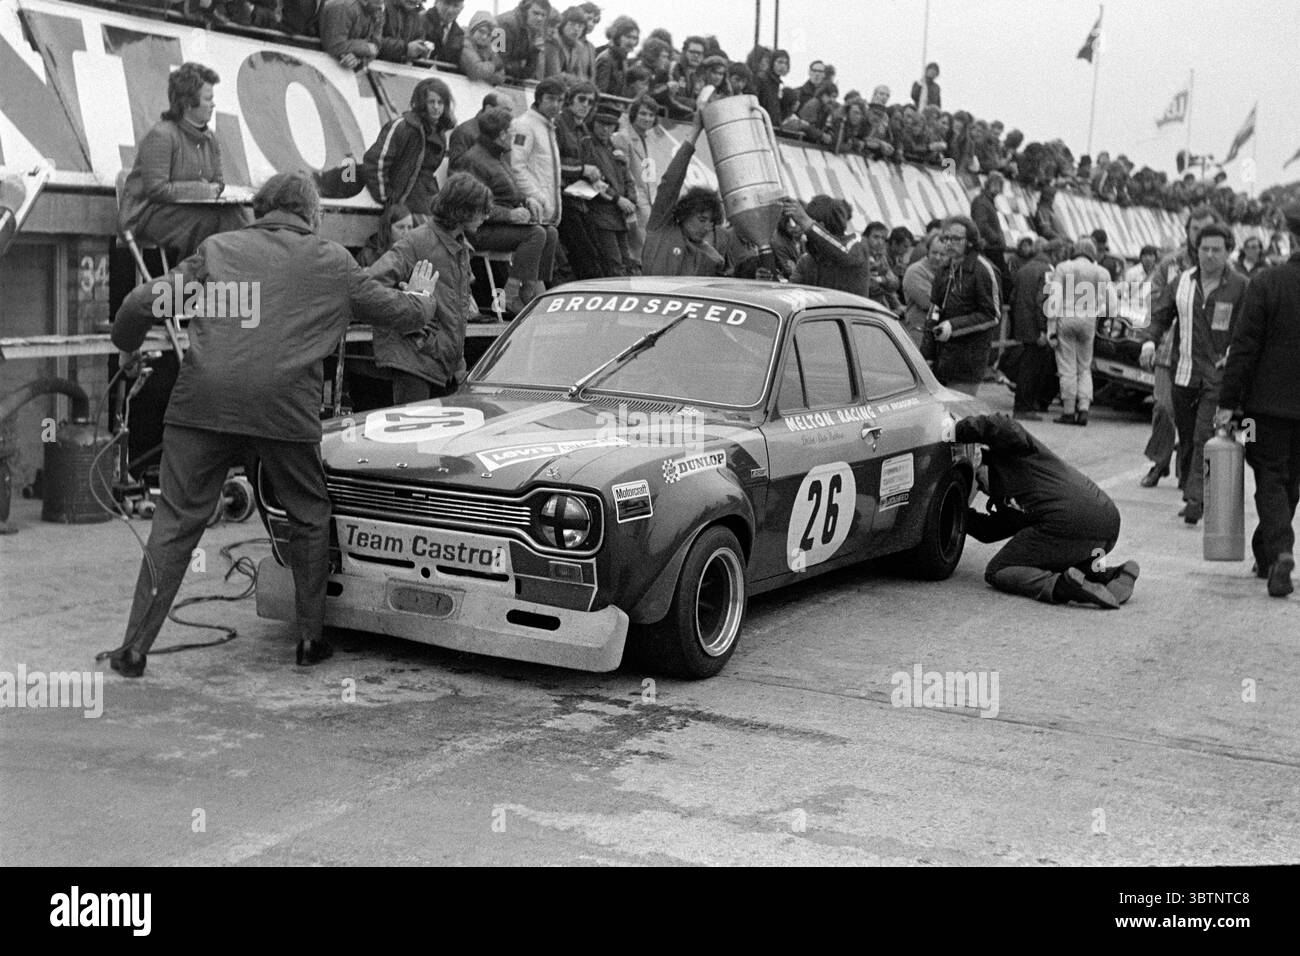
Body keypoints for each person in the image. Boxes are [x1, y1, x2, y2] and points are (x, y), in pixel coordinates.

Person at [106, 173, 440, 678]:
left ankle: (133, 649)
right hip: (283, 410)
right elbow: (402, 315)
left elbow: (138, 303)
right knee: (308, 514)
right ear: (314, 215)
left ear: (260, 209)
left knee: (175, 526)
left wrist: (125, 344)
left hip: (204, 405)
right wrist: (424, 298)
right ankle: (309, 640)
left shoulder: (217, 250)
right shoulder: (333, 262)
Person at [957, 414, 1139, 609]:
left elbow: (1005, 425)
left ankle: (1063, 587)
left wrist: (957, 430)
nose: (981, 487)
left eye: (978, 476)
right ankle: (1113, 575)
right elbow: (990, 530)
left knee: (998, 570)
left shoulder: (1014, 454)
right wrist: (956, 513)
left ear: (987, 462)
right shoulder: (1010, 498)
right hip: (1106, 527)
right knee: (1052, 557)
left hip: (1071, 522)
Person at [1217, 203, 1300, 597]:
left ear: (1292, 239)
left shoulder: (1266, 283)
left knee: (1269, 474)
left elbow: (1244, 348)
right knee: (1292, 479)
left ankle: (1280, 550)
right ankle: (1266, 555)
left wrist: (1228, 402)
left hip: (1263, 411)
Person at [1141, 223, 1248, 525]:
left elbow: (1248, 328)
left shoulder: (1240, 285)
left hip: (1217, 377)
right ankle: (1192, 487)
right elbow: (1161, 315)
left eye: (1217, 250)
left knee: (1205, 435)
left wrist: (1235, 354)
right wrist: (1150, 340)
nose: (1210, 255)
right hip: (1183, 374)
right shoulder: (1182, 282)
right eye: (1204, 249)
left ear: (1228, 252)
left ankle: (1196, 499)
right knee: (1187, 438)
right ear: (1196, 250)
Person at [368, 172, 491, 403]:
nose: (486, 215)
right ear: (461, 210)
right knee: (412, 434)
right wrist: (411, 306)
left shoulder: (459, 246)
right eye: (480, 209)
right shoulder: (417, 241)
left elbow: (455, 314)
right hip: (415, 359)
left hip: (439, 361)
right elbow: (368, 285)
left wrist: (458, 364)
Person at [118, 62, 252, 262]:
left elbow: (218, 184)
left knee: (238, 213)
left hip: (191, 212)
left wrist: (210, 191)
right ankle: (210, 277)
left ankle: (241, 272)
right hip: (151, 216)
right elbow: (157, 190)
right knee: (215, 220)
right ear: (188, 103)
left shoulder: (211, 138)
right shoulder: (161, 135)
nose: (213, 104)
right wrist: (202, 190)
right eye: (208, 99)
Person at [1138, 207, 1219, 488]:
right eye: (1195, 229)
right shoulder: (1171, 264)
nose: (1200, 235)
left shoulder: (1221, 265)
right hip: (1169, 348)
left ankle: (1190, 473)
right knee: (1162, 407)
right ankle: (1159, 462)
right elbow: (1153, 298)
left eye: (1205, 229)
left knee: (1198, 420)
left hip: (1207, 354)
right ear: (1187, 231)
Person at [452, 107, 560, 310]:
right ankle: (512, 296)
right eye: (511, 130)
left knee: (550, 232)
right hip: (478, 231)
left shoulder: (497, 157)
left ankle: (534, 291)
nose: (513, 135)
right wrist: (509, 215)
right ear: (501, 135)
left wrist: (528, 201)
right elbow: (470, 206)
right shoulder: (474, 160)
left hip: (497, 226)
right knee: (535, 234)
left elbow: (509, 193)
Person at [924, 215, 1002, 396]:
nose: (949, 243)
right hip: (940, 359)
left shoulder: (983, 270)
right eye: (946, 238)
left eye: (956, 239)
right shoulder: (944, 270)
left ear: (970, 242)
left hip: (968, 361)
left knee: (959, 416)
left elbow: (992, 315)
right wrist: (926, 354)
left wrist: (953, 326)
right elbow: (933, 311)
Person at [641, 114, 725, 277]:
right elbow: (671, 181)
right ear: (686, 214)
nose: (707, 228)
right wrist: (695, 132)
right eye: (702, 219)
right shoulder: (661, 225)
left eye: (711, 223)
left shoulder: (713, 259)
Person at [361, 77, 454, 218]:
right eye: (431, 102)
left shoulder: (440, 133)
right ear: (422, 103)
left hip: (425, 202)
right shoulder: (402, 126)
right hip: (402, 208)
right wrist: (388, 200)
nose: (436, 107)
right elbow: (375, 162)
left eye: (440, 102)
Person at [1048, 236, 1110, 426]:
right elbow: (1106, 303)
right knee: (1084, 367)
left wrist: (1051, 329)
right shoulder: (1101, 272)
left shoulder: (1063, 268)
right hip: (1088, 321)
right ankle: (1083, 409)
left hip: (1066, 319)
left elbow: (1054, 299)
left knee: (1067, 366)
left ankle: (1068, 411)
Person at [613, 94, 669, 272]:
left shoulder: (649, 138)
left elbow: (649, 175)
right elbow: (623, 172)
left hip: (649, 199)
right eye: (643, 114)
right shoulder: (623, 137)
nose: (647, 118)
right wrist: (634, 199)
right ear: (634, 114)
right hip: (635, 200)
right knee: (640, 250)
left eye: (651, 115)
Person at [581, 100, 638, 276]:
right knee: (613, 265)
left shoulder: (614, 148)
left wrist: (631, 198)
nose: (605, 129)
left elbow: (627, 177)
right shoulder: (587, 145)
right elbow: (593, 182)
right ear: (594, 123)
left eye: (610, 125)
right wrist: (618, 199)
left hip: (619, 216)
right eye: (601, 124)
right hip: (601, 214)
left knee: (625, 263)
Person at [1007, 238, 1058, 420]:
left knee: (1025, 365)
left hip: (1022, 325)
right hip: (1036, 328)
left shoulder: (1024, 268)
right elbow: (1043, 301)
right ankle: (1024, 407)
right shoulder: (1048, 271)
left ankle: (1021, 405)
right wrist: (1043, 329)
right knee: (1032, 368)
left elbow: (1013, 298)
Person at [785, 196, 870, 298]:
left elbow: (843, 253)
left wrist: (807, 223)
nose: (804, 232)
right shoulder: (808, 261)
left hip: (852, 313)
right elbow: (789, 295)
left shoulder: (857, 243)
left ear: (822, 225)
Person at [508, 77, 565, 229]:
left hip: (547, 213)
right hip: (534, 211)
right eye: (550, 99)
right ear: (539, 99)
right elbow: (516, 167)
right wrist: (538, 197)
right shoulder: (524, 125)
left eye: (560, 100)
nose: (555, 105)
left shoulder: (548, 126)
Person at [902, 233, 944, 349]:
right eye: (934, 253)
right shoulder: (915, 272)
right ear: (928, 252)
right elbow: (930, 304)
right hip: (919, 333)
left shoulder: (948, 272)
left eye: (943, 254)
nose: (938, 258)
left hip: (940, 334)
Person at [447, 92, 507, 169]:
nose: (510, 115)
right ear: (489, 109)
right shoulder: (465, 131)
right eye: (505, 110)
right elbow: (455, 166)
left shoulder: (502, 133)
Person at [495, 0, 550, 82]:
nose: (540, 18)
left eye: (543, 15)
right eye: (536, 13)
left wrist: (535, 52)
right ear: (525, 11)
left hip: (510, 78)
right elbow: (499, 63)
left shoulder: (535, 28)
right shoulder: (506, 25)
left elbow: (530, 70)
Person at [545, 5, 596, 80]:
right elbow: (555, 75)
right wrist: (577, 80)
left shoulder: (577, 47)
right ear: (563, 24)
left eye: (580, 26)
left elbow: (580, 74)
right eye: (572, 24)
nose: (576, 29)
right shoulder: (554, 41)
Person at [594, 15, 639, 96]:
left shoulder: (623, 60)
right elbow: (600, 94)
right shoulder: (606, 59)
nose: (632, 42)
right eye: (628, 37)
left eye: (634, 38)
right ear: (617, 37)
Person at [460, 10, 505, 84]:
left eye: (489, 34)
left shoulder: (489, 48)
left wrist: (485, 72)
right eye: (481, 31)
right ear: (473, 29)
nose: (484, 37)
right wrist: (494, 66)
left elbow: (501, 77)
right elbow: (475, 70)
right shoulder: (464, 42)